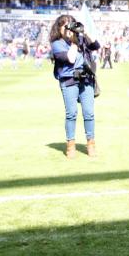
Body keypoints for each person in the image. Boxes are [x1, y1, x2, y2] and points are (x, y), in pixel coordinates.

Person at [49, 14, 101, 158]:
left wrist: (85, 32)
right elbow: (70, 58)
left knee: (89, 113)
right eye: (65, 26)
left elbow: (96, 46)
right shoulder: (57, 43)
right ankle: (70, 146)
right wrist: (74, 41)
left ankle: (91, 144)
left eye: (71, 25)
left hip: (86, 79)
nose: (68, 29)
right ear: (58, 28)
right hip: (69, 80)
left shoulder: (81, 38)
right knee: (71, 114)